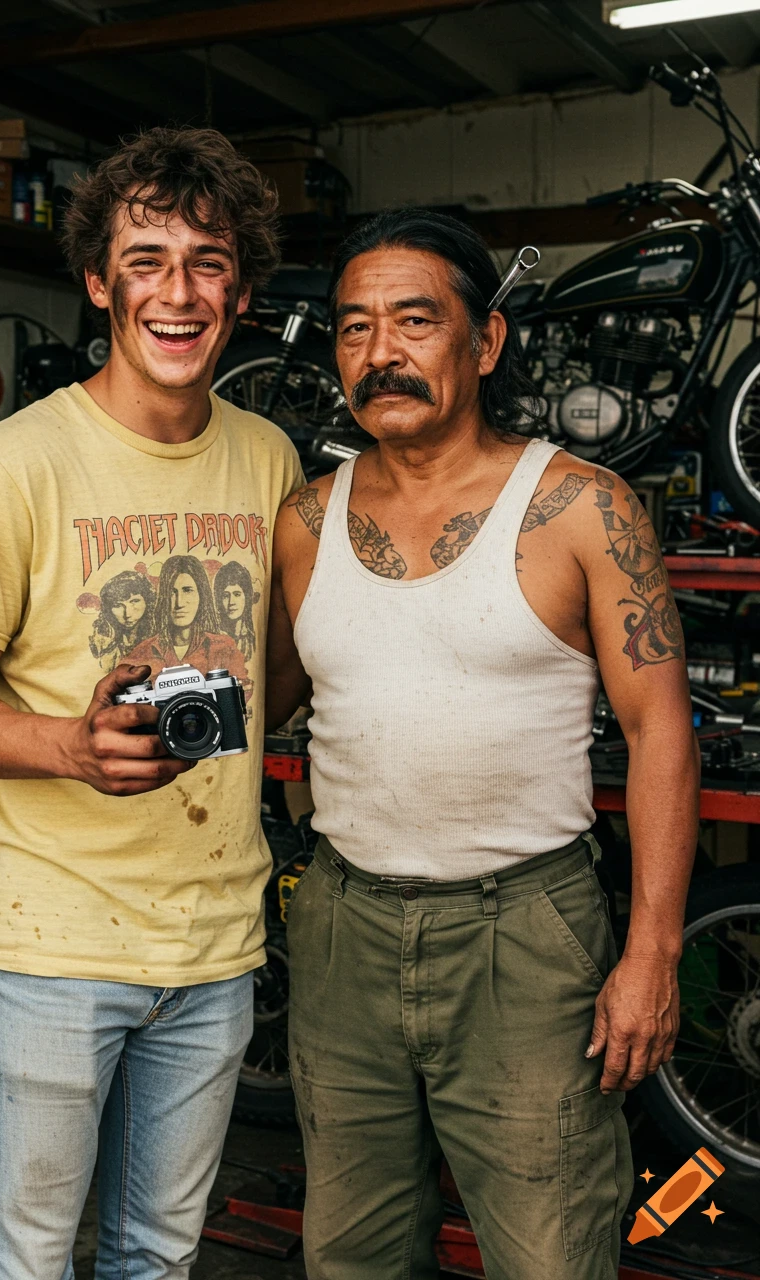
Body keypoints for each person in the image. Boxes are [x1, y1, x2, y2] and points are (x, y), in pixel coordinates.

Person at [266, 208, 699, 1280]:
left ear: (484, 341)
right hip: (340, 923)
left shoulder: (579, 509)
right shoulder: (301, 521)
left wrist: (650, 950)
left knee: (548, 1252)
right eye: (354, 328)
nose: (382, 353)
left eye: (414, 321)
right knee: (350, 1252)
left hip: (524, 930)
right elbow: (260, 703)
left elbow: (658, 733)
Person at [0, 126, 302, 1280]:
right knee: (26, 1260)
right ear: (97, 280)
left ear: (239, 285)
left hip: (216, 940)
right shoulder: (13, 461)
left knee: (157, 1258)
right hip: (52, 944)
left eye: (207, 260)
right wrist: (73, 746)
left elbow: (275, 680)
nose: (177, 293)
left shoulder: (270, 454)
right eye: (146, 259)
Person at [129, 554, 248, 687]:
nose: (179, 603)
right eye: (172, 592)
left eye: (187, 591)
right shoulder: (141, 653)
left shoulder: (224, 648)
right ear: (163, 598)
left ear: (201, 596)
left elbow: (242, 697)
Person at [88, 567, 155, 671]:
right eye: (118, 605)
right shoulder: (101, 641)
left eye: (134, 601)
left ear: (147, 601)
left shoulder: (159, 639)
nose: (127, 614)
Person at [214, 559, 258, 660]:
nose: (231, 602)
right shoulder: (214, 638)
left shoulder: (252, 639)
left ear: (247, 597)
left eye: (237, 594)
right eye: (225, 596)